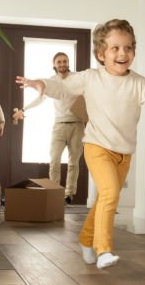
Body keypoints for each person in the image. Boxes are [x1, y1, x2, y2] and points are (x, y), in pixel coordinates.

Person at [17, 19, 145, 269]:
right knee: (111, 194)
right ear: (101, 54)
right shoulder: (90, 78)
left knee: (106, 197)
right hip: (97, 146)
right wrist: (42, 84)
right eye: (115, 48)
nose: (123, 53)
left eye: (128, 47)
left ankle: (86, 238)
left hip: (124, 153)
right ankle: (104, 250)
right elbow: (62, 87)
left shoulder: (139, 83)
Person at [12, 52, 88, 205]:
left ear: (68, 63)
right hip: (59, 125)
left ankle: (69, 194)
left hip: (77, 124)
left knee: (74, 162)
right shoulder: (51, 82)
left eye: (64, 61)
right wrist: (24, 109)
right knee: (54, 160)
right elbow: (40, 98)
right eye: (59, 62)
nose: (62, 64)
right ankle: (54, 192)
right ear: (54, 65)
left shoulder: (77, 79)